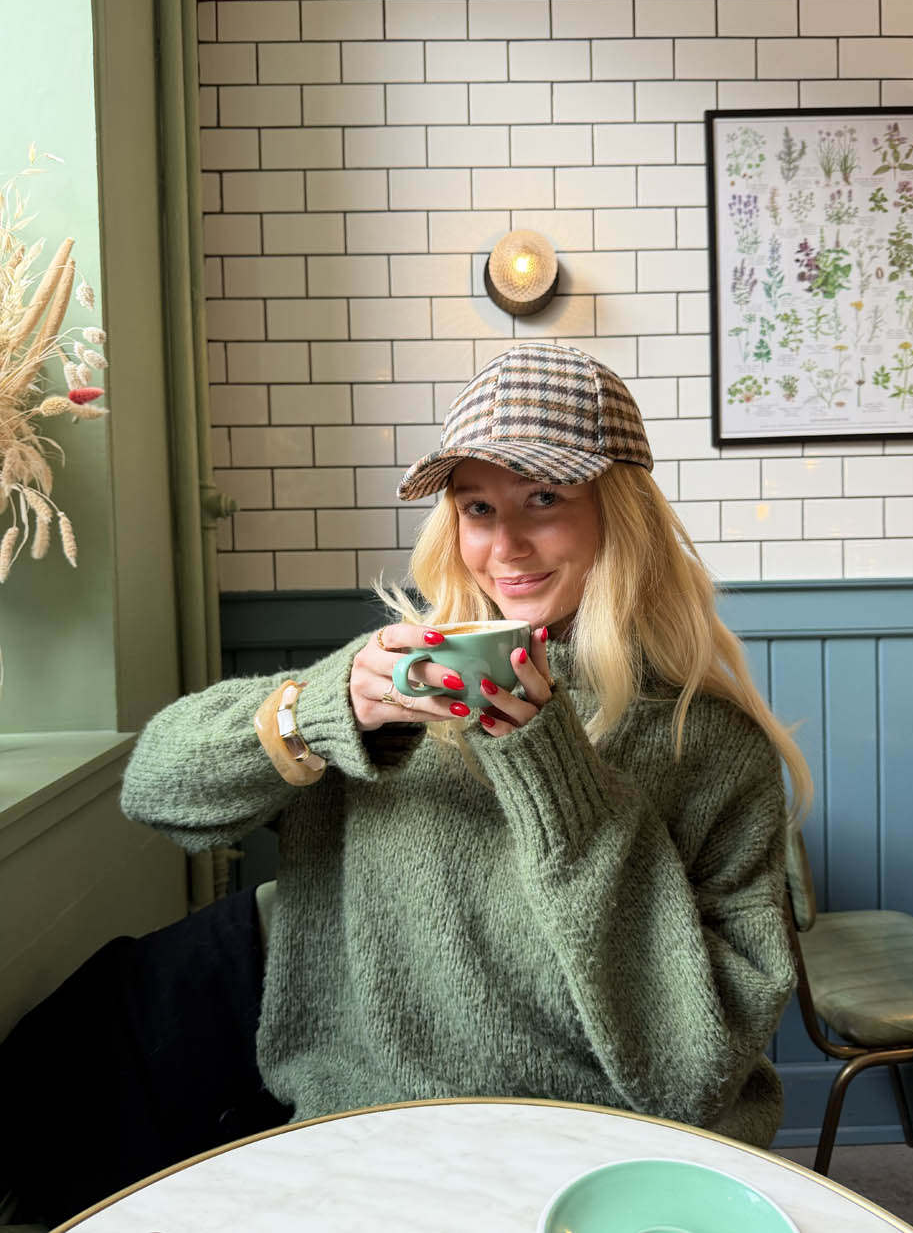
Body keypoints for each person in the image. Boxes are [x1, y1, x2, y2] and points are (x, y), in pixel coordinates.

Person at [1, 341, 812, 1222]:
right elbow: (156, 790)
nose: (504, 543)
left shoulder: (710, 745)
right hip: (363, 1147)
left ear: (619, 515)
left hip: (593, 1163)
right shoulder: (387, 689)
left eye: (544, 498)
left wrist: (548, 763)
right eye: (476, 506)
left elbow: (697, 1065)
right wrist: (316, 712)